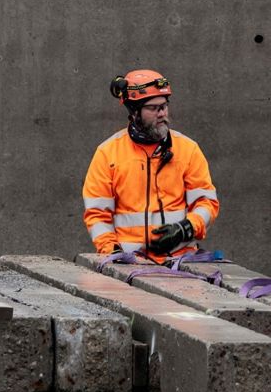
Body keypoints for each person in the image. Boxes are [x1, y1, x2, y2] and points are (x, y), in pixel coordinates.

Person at [82, 69, 219, 262]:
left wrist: (184, 229)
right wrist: (112, 251)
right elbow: (97, 215)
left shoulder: (188, 149)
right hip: (129, 264)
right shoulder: (108, 153)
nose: (162, 113)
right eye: (153, 108)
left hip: (181, 262)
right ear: (134, 112)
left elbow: (206, 204)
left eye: (164, 106)